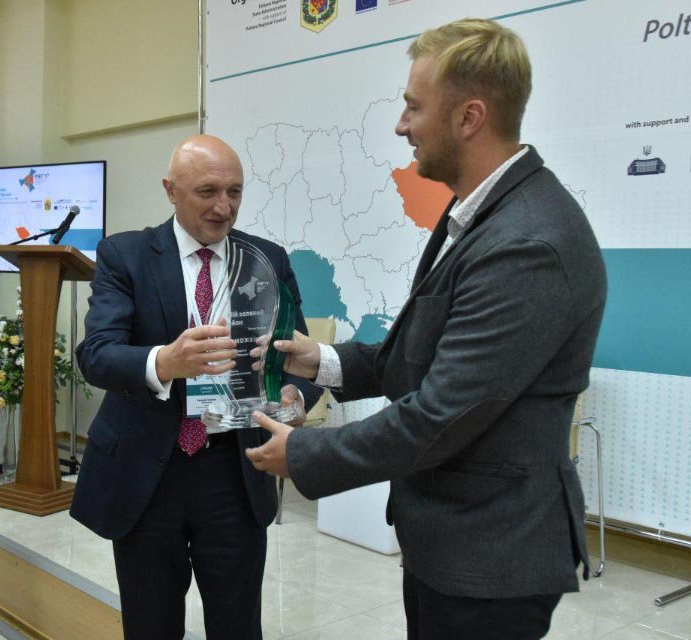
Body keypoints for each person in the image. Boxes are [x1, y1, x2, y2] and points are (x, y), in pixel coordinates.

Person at [245, 18, 607, 640]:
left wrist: (303, 453)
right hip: (456, 541)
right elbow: (427, 353)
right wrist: (321, 360)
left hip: (491, 561)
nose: (401, 125)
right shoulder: (484, 212)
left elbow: (441, 413)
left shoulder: (527, 243)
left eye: (414, 107)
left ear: (469, 117)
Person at [71, 134, 321, 640]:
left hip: (235, 471)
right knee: (151, 625)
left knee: (237, 625)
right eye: (207, 191)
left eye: (234, 191)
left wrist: (294, 397)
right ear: (170, 190)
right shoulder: (125, 254)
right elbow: (96, 354)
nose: (223, 207)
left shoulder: (267, 259)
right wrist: (165, 362)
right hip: (148, 473)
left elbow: (298, 354)